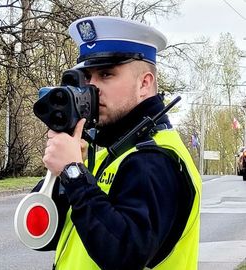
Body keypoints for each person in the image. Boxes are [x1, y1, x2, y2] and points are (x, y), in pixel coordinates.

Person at [40, 16, 202, 270]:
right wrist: (62, 175)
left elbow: (125, 254)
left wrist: (72, 172)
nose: (92, 88)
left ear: (144, 84)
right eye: (88, 77)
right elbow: (43, 235)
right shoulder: (109, 155)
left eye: (106, 74)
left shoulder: (154, 160)